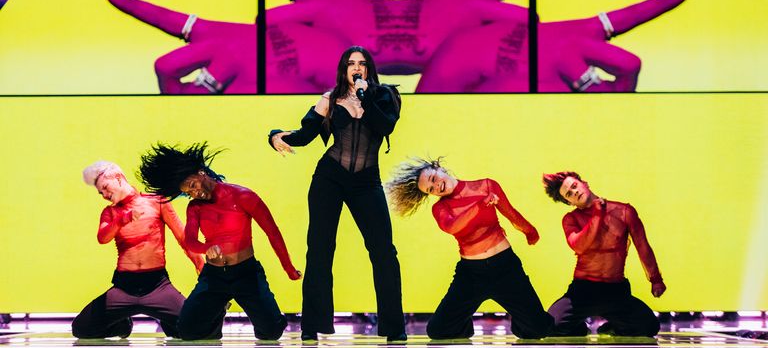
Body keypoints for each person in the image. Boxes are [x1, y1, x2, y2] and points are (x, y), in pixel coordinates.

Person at [269, 46, 406, 342]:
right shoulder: (330, 100)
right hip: (329, 178)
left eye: (362, 64)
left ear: (369, 68)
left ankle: (394, 328)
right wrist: (276, 136)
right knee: (319, 250)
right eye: (351, 64)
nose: (356, 68)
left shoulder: (385, 96)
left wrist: (365, 95)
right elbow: (304, 135)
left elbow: (385, 125)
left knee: (383, 252)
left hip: (367, 181)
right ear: (343, 68)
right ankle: (311, 326)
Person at [137, 142, 301, 340]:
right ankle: (219, 309)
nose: (195, 193)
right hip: (213, 277)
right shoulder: (195, 207)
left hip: (246, 273)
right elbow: (190, 241)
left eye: (193, 186)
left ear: (201, 173)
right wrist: (206, 248)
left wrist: (288, 268)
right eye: (188, 193)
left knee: (271, 332)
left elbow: (272, 232)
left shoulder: (243, 196)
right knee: (187, 331)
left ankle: (268, 315)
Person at [385, 157, 553, 340]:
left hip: (505, 267)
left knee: (540, 329)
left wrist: (530, 231)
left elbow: (511, 214)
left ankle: (521, 319)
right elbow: (453, 226)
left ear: (438, 168)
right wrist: (480, 205)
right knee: (437, 331)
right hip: (471, 274)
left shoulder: (487, 185)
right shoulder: (440, 209)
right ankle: (464, 325)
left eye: (433, 179)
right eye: (430, 189)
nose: (436, 187)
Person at [72, 161, 205, 339]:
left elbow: (182, 238)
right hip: (123, 288)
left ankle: (168, 319)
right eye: (100, 192)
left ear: (118, 178)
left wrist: (202, 267)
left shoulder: (157, 201)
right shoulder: (110, 213)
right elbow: (102, 237)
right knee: (81, 329)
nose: (104, 194)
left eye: (105, 187)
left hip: (158, 286)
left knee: (196, 328)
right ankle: (122, 325)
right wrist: (122, 219)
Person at [542, 171, 666, 336]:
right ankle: (579, 327)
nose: (575, 192)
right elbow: (579, 246)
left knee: (649, 327)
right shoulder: (570, 219)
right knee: (549, 327)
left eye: (574, 186)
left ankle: (615, 325)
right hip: (582, 292)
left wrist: (655, 279)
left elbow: (642, 246)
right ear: (568, 201)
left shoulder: (624, 211)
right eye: (569, 194)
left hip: (615, 290)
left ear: (584, 183)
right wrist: (597, 214)